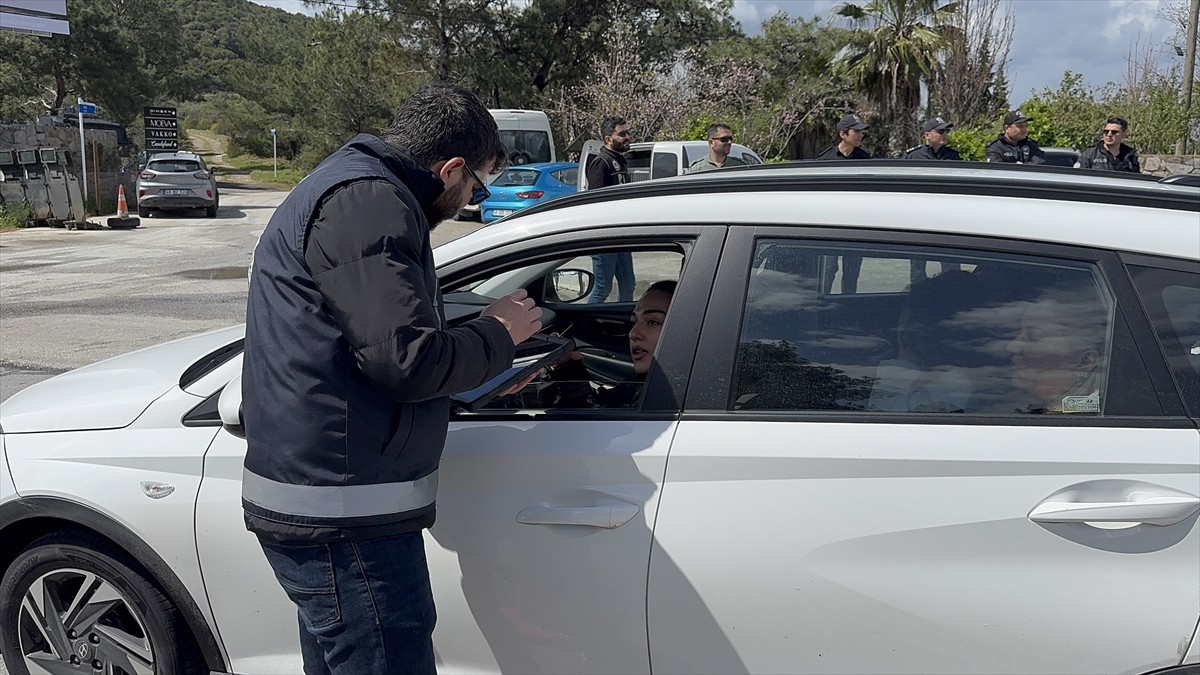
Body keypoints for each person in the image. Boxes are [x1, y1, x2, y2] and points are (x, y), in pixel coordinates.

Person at [241, 83, 544, 675]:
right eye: (477, 185)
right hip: (346, 520)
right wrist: (499, 336)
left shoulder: (350, 187)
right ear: (451, 168)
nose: (468, 199)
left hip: (332, 506)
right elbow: (405, 359)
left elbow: (359, 344)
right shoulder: (371, 202)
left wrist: (473, 362)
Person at [1006, 283, 1107, 414]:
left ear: (1085, 361)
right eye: (1018, 332)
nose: (1011, 346)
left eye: (1032, 337)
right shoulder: (1022, 405)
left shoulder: (1087, 427)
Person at [903, 117, 962, 282]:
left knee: (951, 265)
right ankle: (917, 298)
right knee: (918, 267)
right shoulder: (912, 157)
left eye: (946, 131)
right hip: (920, 219)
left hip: (947, 219)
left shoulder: (953, 157)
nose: (945, 134)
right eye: (940, 131)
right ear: (927, 135)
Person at [817, 114, 870, 293]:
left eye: (861, 132)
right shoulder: (825, 161)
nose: (860, 135)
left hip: (855, 225)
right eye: (856, 131)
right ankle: (820, 309)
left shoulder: (866, 160)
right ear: (843, 134)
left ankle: (848, 311)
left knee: (852, 272)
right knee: (827, 271)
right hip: (829, 225)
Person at [585, 115, 635, 303]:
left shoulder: (620, 161)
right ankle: (587, 326)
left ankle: (624, 323)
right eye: (622, 134)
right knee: (603, 288)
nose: (627, 137)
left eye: (628, 132)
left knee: (628, 284)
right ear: (608, 139)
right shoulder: (601, 162)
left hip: (621, 234)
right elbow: (594, 202)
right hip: (605, 236)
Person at [1076, 117, 1140, 173]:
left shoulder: (1130, 157)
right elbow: (1078, 177)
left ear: (1123, 135)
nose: (1109, 135)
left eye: (1114, 132)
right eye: (1106, 131)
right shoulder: (1090, 155)